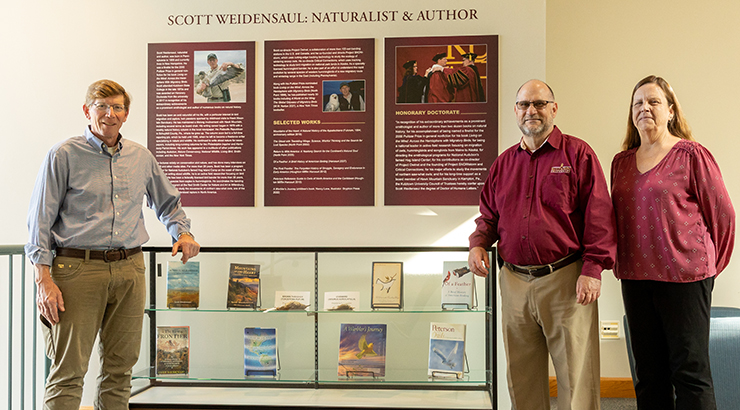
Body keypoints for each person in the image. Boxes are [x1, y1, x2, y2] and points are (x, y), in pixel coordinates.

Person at [26, 79, 201, 409]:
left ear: (126, 113)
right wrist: (43, 279)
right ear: (87, 111)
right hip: (77, 270)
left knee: (121, 371)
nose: (110, 114)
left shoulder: (140, 157)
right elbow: (40, 222)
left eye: (117, 107)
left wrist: (183, 233)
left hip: (130, 270)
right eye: (102, 106)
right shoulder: (63, 155)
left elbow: (168, 204)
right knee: (68, 372)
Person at [468, 79, 617, 410]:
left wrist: (593, 269)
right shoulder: (504, 164)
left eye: (538, 104)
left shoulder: (578, 155)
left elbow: (599, 217)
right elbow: (488, 216)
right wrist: (478, 243)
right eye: (524, 105)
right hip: (514, 283)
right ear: (515, 111)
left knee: (575, 378)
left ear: (554, 108)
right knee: (522, 379)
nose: (530, 111)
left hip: (565, 280)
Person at [611, 75, 735, 410]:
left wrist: (707, 269)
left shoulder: (692, 155)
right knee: (649, 375)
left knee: (690, 374)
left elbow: (723, 216)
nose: (645, 108)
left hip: (685, 279)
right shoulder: (621, 162)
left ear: (670, 111)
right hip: (636, 280)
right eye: (638, 103)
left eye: (653, 101)